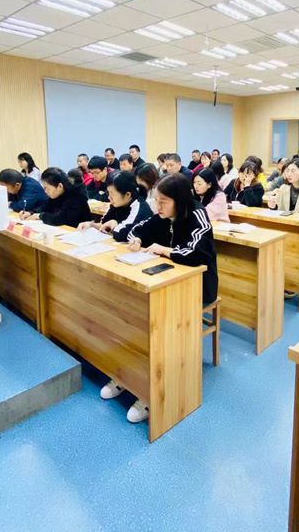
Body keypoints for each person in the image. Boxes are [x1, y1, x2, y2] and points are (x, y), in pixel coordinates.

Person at [107, 173, 217, 423]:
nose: (158, 206)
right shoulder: (161, 215)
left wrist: (164, 250)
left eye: (163, 202)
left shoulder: (197, 214)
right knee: (132, 308)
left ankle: (152, 391)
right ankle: (126, 374)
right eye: (156, 201)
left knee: (156, 319)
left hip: (199, 285)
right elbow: (138, 229)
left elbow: (196, 253)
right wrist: (137, 240)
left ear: (179, 200)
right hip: (166, 281)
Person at [79, 171, 152, 242]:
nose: (109, 197)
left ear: (127, 195)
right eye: (108, 193)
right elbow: (104, 224)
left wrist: (114, 224)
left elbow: (123, 234)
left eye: (112, 194)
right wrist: (91, 224)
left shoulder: (139, 207)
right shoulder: (117, 204)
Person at [21, 167, 92, 227]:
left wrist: (40, 216)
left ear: (60, 186)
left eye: (47, 188)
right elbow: (46, 206)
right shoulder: (57, 193)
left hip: (78, 232)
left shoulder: (76, 196)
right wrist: (31, 212)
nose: (45, 191)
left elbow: (60, 219)